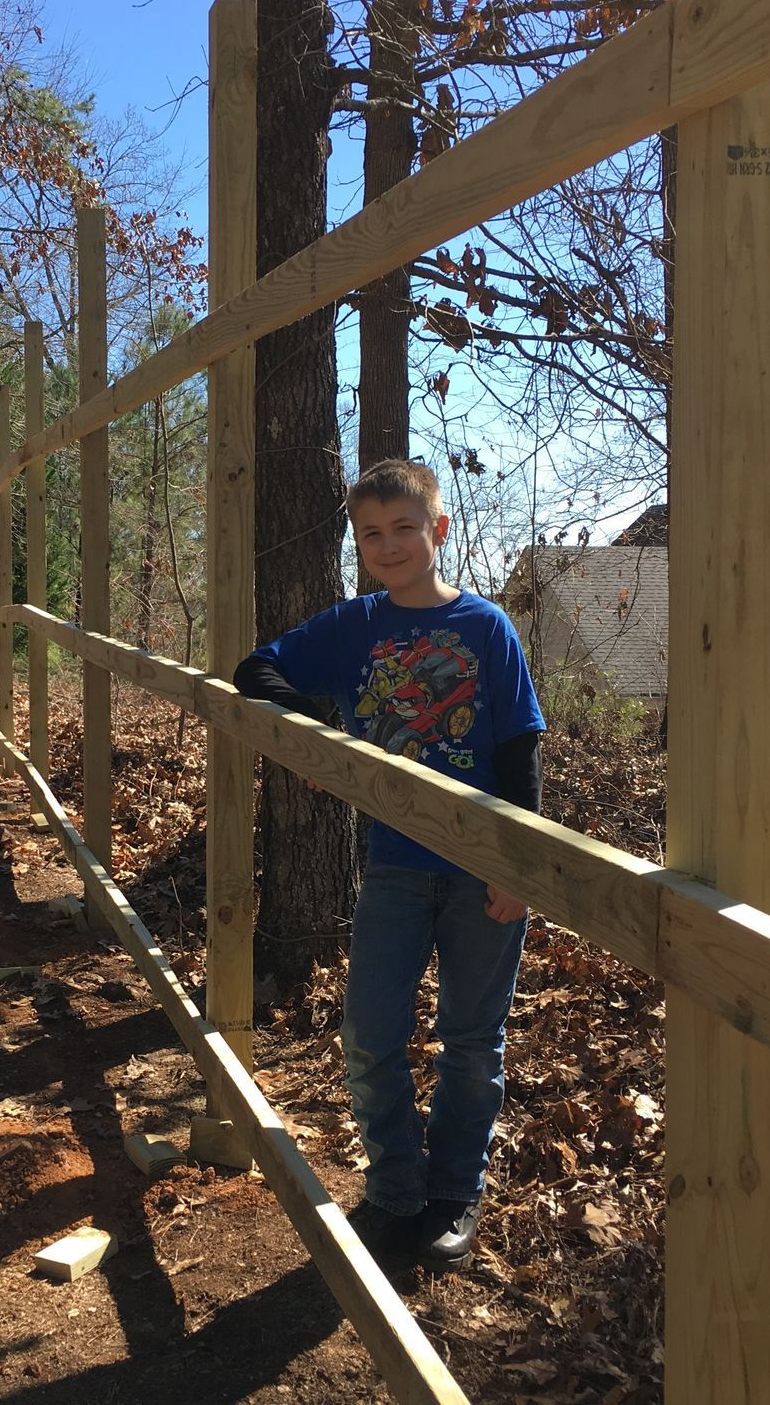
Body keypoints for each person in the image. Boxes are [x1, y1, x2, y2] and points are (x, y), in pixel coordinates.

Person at [233, 459, 544, 1270]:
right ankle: (395, 1190)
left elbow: (519, 752)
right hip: (394, 867)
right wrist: (318, 736)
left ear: (438, 531)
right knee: (370, 1034)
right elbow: (254, 670)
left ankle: (452, 1195)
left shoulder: (485, 628)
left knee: (472, 1042)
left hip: (482, 866)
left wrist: (520, 865)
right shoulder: (355, 624)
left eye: (405, 527)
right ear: (358, 543)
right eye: (371, 533)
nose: (389, 544)